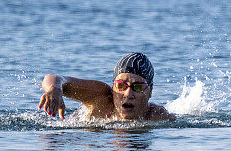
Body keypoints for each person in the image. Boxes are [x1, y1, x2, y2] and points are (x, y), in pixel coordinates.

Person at [38, 52, 173, 121]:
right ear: (113, 87)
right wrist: (55, 89)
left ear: (149, 92)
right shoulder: (100, 96)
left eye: (137, 87)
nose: (128, 94)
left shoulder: (157, 116)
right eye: (121, 86)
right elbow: (53, 77)